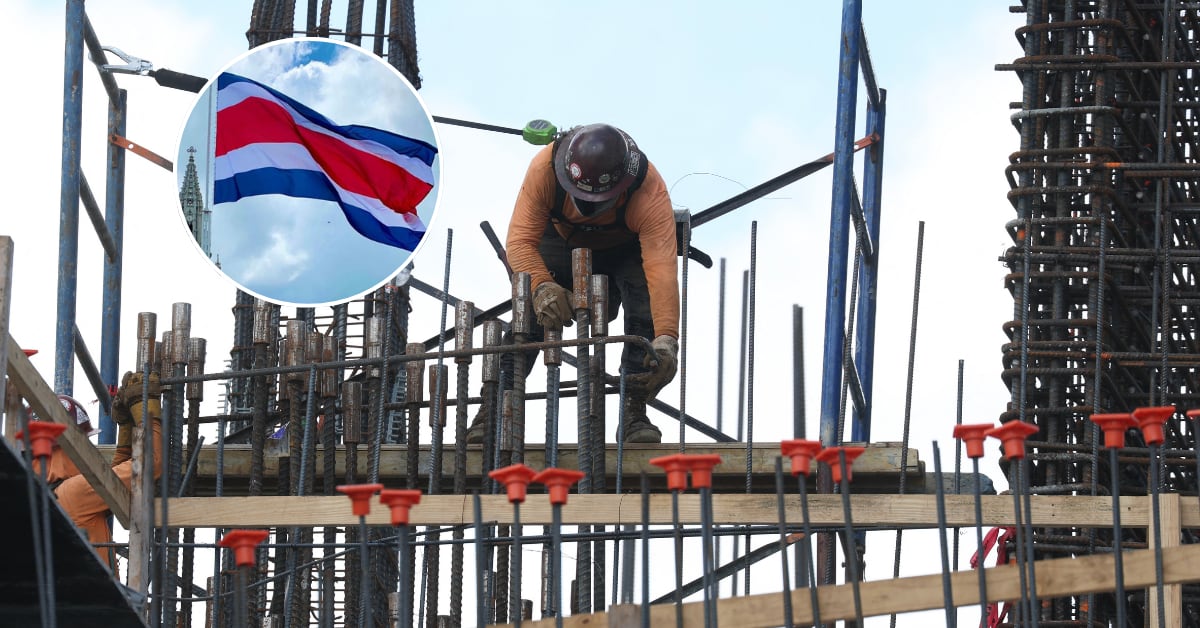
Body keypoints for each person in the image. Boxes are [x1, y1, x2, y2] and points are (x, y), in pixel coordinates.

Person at [467, 123, 680, 444]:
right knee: (527, 316)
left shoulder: (648, 190)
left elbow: (662, 271)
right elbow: (521, 242)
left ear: (620, 188)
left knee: (644, 312)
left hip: (625, 246)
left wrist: (666, 340)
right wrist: (541, 286)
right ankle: (492, 411)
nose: (590, 209)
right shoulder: (545, 169)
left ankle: (634, 413)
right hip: (560, 240)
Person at [48, 372, 163, 571]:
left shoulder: (48, 494)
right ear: (66, 446)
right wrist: (147, 413)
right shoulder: (73, 493)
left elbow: (112, 482)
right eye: (83, 441)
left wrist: (126, 431)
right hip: (95, 599)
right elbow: (150, 464)